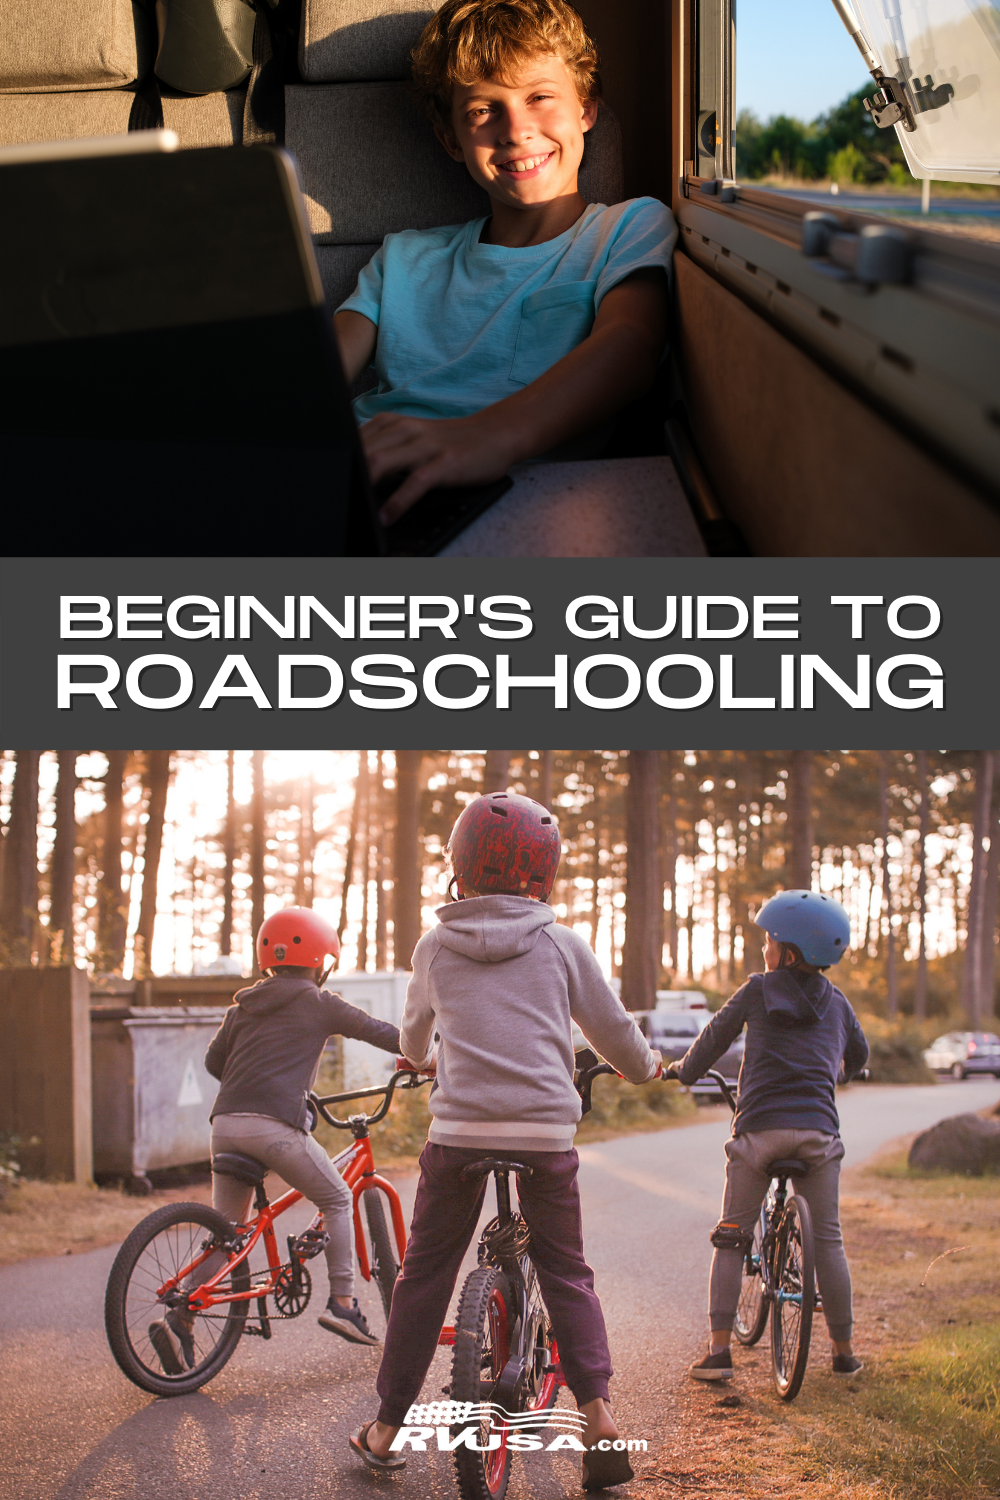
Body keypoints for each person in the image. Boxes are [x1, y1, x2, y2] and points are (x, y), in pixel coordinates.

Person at [349, 791, 661, 1491]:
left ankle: (385, 1427)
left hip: (458, 1135)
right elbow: (615, 1033)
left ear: (460, 865)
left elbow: (412, 1040)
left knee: (423, 1276)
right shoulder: (561, 943)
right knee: (567, 1272)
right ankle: (601, 1421)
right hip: (546, 1132)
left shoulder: (434, 945)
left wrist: (426, 1058)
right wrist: (645, 1069)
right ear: (542, 874)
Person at [334, 0, 676, 524]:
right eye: (481, 110)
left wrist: (488, 436)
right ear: (451, 140)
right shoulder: (403, 257)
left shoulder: (627, 228)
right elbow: (315, 377)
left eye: (539, 96)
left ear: (586, 108)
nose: (515, 130)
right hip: (369, 477)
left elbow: (631, 345)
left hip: (526, 492)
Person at [148, 907, 401, 1374]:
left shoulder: (242, 1006)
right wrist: (426, 1056)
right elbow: (379, 1033)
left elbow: (213, 1063)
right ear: (322, 959)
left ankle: (181, 1314)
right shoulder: (320, 1002)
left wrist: (259, 1080)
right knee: (339, 1197)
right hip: (272, 1126)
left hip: (225, 1124)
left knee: (227, 1232)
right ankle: (343, 1303)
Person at [669, 890, 869, 1383]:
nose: (764, 949)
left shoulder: (757, 990)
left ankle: (719, 1353)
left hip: (758, 1136)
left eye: (770, 940)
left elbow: (713, 1040)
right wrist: (843, 1071)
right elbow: (859, 1056)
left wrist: (683, 1071)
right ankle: (844, 1354)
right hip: (819, 1138)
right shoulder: (838, 1003)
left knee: (731, 1237)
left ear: (790, 953)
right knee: (828, 1241)